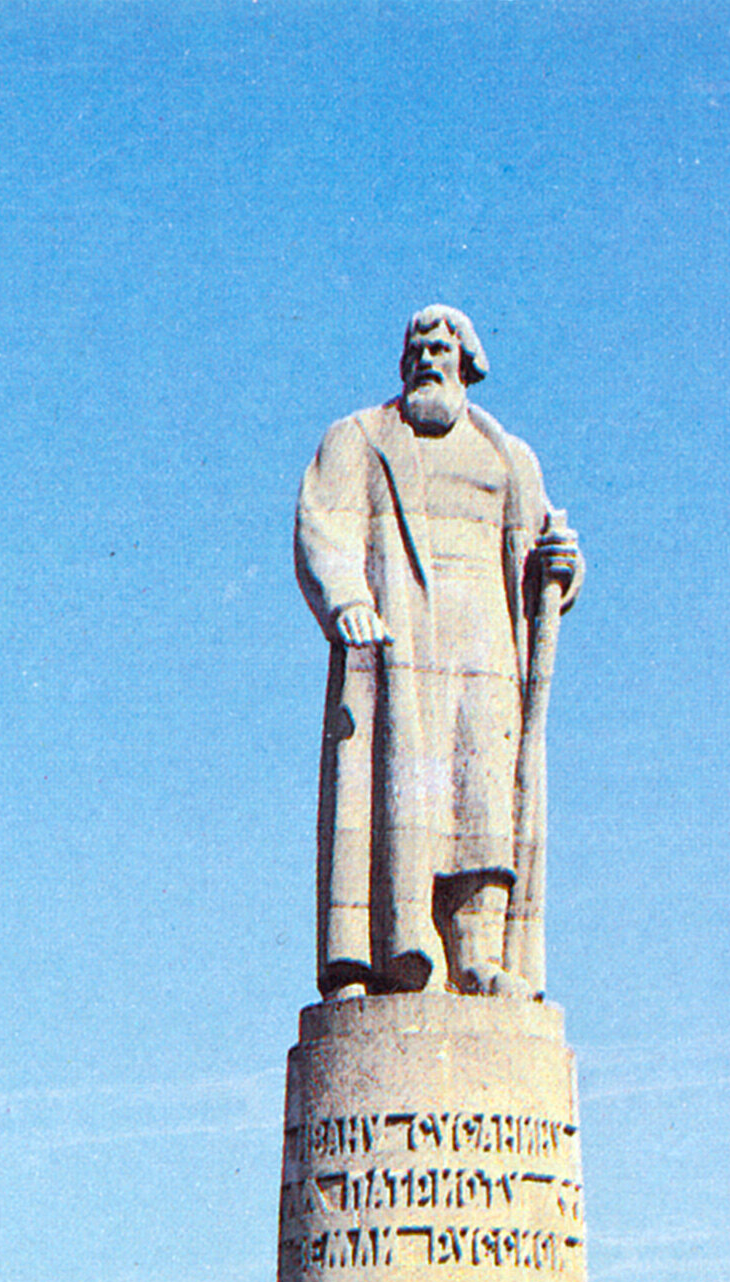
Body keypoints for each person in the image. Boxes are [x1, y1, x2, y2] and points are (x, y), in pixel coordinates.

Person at [295, 305, 583, 998]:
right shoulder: (360, 438)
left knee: (482, 797)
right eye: (416, 347)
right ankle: (383, 957)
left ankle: (479, 955)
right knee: (396, 802)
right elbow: (319, 525)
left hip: (484, 647)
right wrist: (347, 599)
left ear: (467, 362)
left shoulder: (509, 456)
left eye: (441, 347)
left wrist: (564, 567)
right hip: (396, 642)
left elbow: (544, 556)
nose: (427, 357)